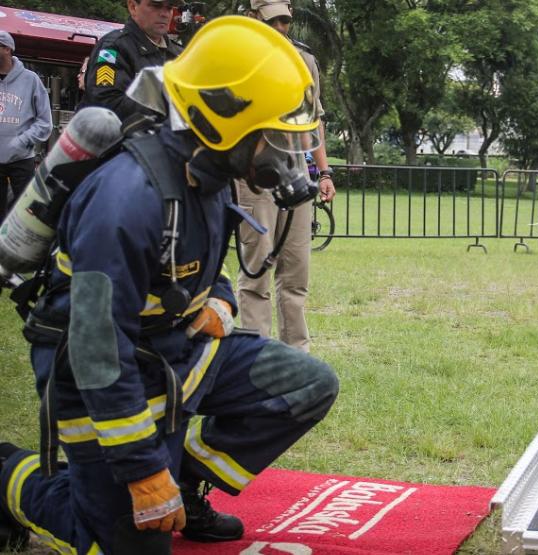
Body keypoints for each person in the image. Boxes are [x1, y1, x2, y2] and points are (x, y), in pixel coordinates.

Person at [0, 16, 339, 553]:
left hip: (172, 351)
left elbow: (202, 264)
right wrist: (141, 470)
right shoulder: (126, 199)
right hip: (96, 378)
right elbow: (97, 352)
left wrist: (220, 302)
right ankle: (7, 477)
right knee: (123, 546)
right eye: (274, 137)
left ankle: (180, 484)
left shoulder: (208, 170)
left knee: (308, 383)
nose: (285, 155)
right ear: (225, 123)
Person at [236, 0, 336, 353]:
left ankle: (296, 356)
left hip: (297, 173)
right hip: (254, 176)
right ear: (253, 16)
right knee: (257, 272)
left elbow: (314, 120)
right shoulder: (238, 56)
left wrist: (324, 172)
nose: (280, 28)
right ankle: (256, 356)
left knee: (296, 273)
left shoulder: (304, 59)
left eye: (284, 20)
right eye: (271, 20)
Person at [80, 0, 182, 121]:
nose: (164, 14)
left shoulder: (179, 55)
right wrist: (167, 105)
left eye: (169, 8)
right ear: (133, 7)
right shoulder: (114, 47)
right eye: (156, 6)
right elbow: (107, 106)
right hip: (121, 131)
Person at [0, 31, 52, 219]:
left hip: (21, 160)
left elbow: (45, 122)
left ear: (7, 49)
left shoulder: (31, 80)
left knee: (24, 214)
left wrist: (21, 141)